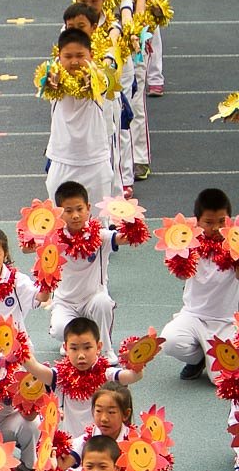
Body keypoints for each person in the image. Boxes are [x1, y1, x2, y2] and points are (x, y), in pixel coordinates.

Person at [27, 181, 144, 362]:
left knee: (103, 302)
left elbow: (129, 238)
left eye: (79, 209)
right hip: (65, 303)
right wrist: (28, 236)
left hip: (93, 300)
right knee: (59, 330)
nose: (75, 215)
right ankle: (70, 342)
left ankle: (104, 350)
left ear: (88, 208)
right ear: (58, 213)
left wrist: (129, 218)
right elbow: (28, 247)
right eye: (68, 210)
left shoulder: (101, 236)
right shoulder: (54, 238)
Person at [159, 189, 237, 382]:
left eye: (222, 221)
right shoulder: (188, 244)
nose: (217, 228)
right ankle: (198, 359)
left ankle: (211, 358)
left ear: (230, 219)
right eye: (208, 223)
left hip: (228, 322)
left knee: (221, 379)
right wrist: (178, 250)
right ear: (196, 221)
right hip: (194, 316)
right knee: (169, 341)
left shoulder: (236, 245)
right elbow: (181, 274)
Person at [23, 318, 143, 436]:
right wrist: (19, 348)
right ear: (65, 348)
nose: (81, 355)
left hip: (101, 446)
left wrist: (137, 362)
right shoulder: (58, 376)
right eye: (74, 348)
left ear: (99, 347)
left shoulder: (107, 374)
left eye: (87, 348)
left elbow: (134, 376)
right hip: (70, 444)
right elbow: (33, 367)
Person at [40, 29, 112, 206]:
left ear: (92, 55)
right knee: (59, 222)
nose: (74, 62)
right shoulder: (52, 77)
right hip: (61, 160)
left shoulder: (100, 78)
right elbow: (45, 80)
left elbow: (102, 82)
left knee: (99, 221)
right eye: (68, 56)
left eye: (80, 55)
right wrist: (50, 79)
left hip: (95, 162)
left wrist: (90, 82)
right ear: (59, 56)